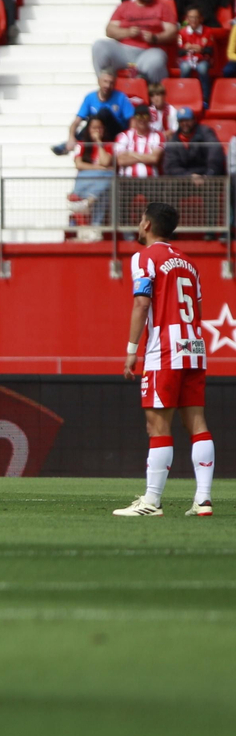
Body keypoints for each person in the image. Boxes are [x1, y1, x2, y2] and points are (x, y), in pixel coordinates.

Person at [114, 202, 214, 518]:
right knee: (196, 422)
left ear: (146, 224)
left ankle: (152, 501)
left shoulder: (144, 258)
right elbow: (196, 309)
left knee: (157, 424)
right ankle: (203, 500)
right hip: (194, 345)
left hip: (165, 350)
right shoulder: (188, 263)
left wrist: (132, 349)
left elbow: (142, 304)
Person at [92, 0, 178, 86]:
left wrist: (155, 37)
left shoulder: (162, 7)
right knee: (99, 46)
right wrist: (127, 32)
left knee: (156, 60)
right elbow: (109, 30)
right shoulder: (124, 6)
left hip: (149, 51)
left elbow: (172, 32)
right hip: (123, 51)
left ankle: (152, 94)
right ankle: (105, 86)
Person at [67, 115, 115, 237]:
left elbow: (105, 161)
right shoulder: (82, 144)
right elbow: (78, 164)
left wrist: (99, 143)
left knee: (106, 189)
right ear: (88, 129)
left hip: (101, 184)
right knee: (108, 174)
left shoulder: (108, 145)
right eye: (94, 128)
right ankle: (91, 206)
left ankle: (95, 222)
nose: (97, 131)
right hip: (86, 180)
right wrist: (99, 168)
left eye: (100, 128)